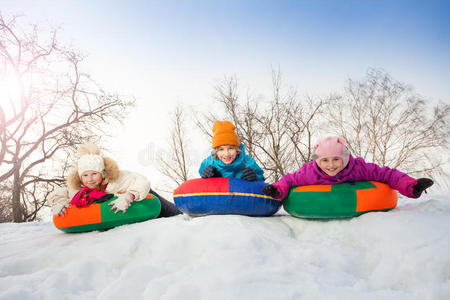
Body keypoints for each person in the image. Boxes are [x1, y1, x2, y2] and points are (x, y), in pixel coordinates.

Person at [262, 136, 434, 200]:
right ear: (318, 161)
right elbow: (289, 180)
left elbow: (386, 174)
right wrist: (277, 190)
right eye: (325, 160)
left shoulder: (358, 168)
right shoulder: (310, 172)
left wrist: (412, 186)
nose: (330, 165)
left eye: (336, 159)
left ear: (344, 158)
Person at [49, 143, 181, 217]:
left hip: (145, 195)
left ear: (102, 172)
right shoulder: (78, 190)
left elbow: (142, 181)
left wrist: (129, 195)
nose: (90, 179)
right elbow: (62, 192)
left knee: (175, 213)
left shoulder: (116, 179)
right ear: (80, 177)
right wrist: (57, 201)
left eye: (94, 174)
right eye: (85, 175)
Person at [198, 120, 264, 181]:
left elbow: (261, 179)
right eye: (221, 149)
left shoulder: (248, 162)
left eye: (230, 148)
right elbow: (201, 184)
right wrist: (205, 177)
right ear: (216, 151)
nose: (226, 154)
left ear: (237, 149)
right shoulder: (208, 163)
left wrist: (255, 177)